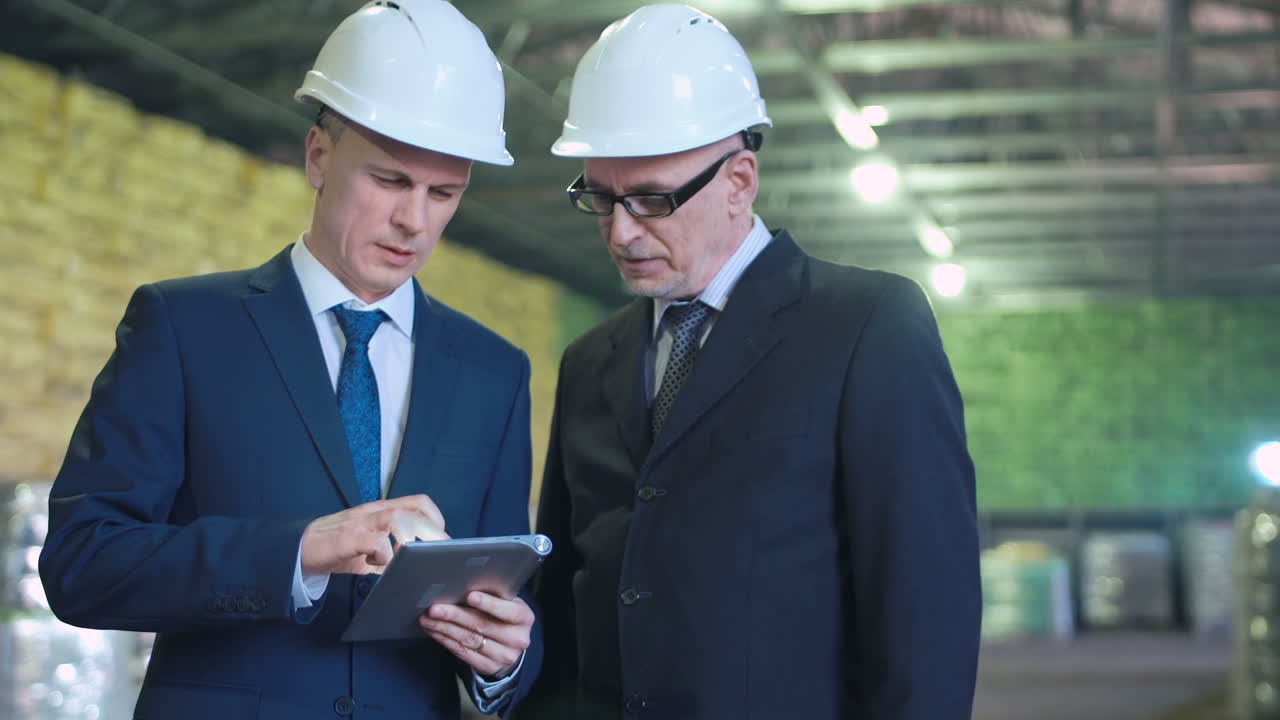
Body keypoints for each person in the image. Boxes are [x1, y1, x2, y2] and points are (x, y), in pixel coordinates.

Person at [37, 1, 542, 717]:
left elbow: (508, 605)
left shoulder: (496, 373)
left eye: (444, 193)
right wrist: (298, 553)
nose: (415, 221)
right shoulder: (183, 327)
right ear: (317, 154)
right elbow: (83, 564)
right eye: (391, 181)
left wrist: (506, 659)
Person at [518, 5, 981, 719]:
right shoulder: (589, 362)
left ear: (739, 181)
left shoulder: (865, 328)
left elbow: (923, 607)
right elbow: (565, 598)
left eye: (651, 199)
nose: (621, 232)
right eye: (601, 199)